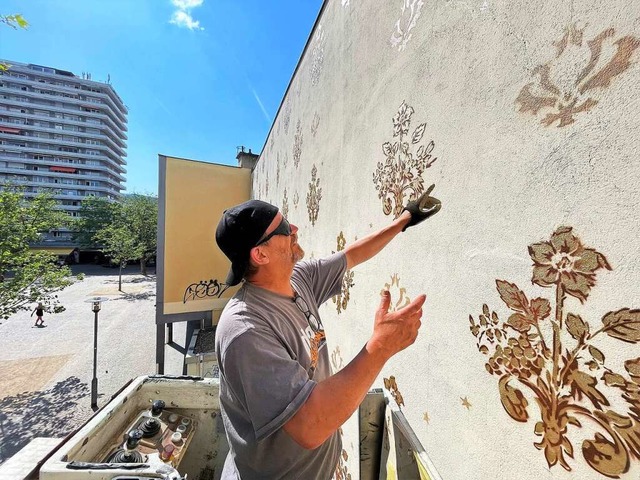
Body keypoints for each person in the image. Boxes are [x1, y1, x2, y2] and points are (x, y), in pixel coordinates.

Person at [214, 186, 441, 479]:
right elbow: (310, 425)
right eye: (283, 228)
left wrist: (404, 220)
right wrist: (381, 346)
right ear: (260, 254)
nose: (294, 228)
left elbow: (352, 254)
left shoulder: (298, 277)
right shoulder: (245, 329)